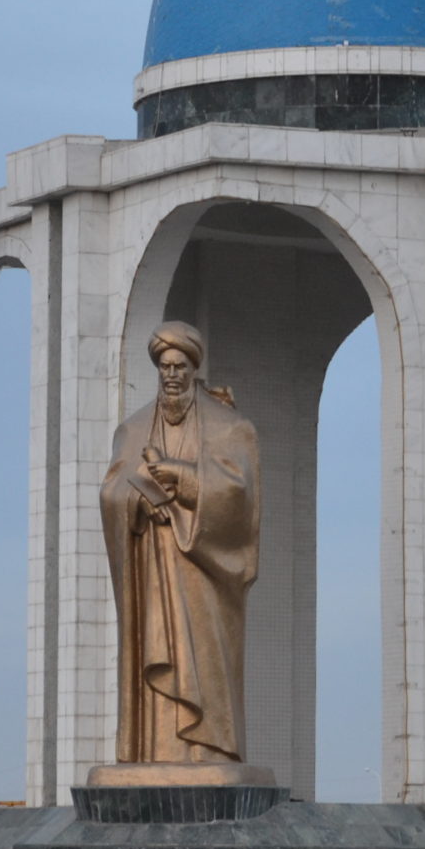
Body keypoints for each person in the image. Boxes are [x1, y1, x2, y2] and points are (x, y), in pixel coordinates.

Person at [99, 321, 261, 764]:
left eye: (180, 367)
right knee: (157, 654)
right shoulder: (133, 430)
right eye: (165, 367)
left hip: (202, 572)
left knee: (204, 661)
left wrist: (182, 477)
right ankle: (155, 751)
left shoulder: (228, 426)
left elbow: (239, 493)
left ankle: (208, 749)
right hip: (152, 567)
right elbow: (111, 492)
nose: (172, 375)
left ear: (194, 369)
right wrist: (138, 500)